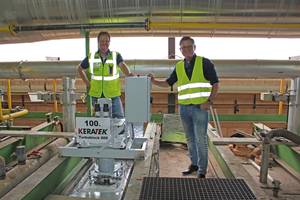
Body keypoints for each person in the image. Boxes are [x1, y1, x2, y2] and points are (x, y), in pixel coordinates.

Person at [146, 36, 220, 178]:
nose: (186, 50)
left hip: (200, 108)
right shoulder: (179, 66)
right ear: (180, 50)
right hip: (184, 109)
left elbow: (216, 83)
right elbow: (168, 83)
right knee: (190, 138)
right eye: (184, 47)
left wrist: (210, 101)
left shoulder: (205, 63)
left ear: (194, 47)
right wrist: (154, 81)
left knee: (201, 140)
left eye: (189, 46)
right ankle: (194, 164)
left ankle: (202, 171)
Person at [77, 31, 135, 119]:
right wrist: (88, 84)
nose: (104, 43)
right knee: (101, 124)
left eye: (106, 41)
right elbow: (79, 69)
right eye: (102, 41)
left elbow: (122, 65)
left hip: (113, 95)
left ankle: (119, 134)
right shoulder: (91, 56)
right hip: (96, 96)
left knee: (119, 120)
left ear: (109, 42)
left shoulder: (115, 56)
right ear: (98, 42)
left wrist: (128, 74)